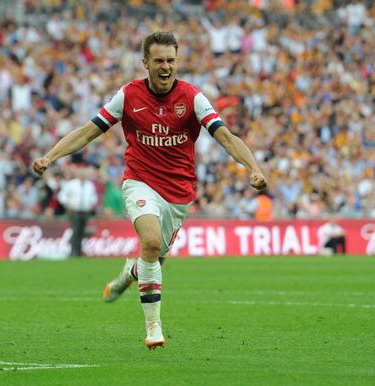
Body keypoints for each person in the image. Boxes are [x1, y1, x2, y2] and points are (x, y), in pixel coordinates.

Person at [32, 31, 267, 349]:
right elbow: (88, 131)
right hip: (139, 181)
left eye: (171, 60)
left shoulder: (192, 98)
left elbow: (225, 136)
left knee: (153, 259)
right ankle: (153, 327)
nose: (166, 66)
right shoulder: (128, 96)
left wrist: (252, 167)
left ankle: (128, 273)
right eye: (159, 60)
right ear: (146, 63)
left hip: (179, 192)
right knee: (152, 243)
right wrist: (51, 156)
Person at [57, 167, 98, 256]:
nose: (82, 176)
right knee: (76, 230)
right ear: (78, 175)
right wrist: (67, 204)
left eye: (84, 174)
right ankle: (73, 251)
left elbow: (94, 197)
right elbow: (62, 196)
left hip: (85, 211)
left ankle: (78, 250)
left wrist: (92, 204)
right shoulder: (71, 184)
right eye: (81, 174)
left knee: (82, 231)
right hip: (74, 211)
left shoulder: (89, 185)